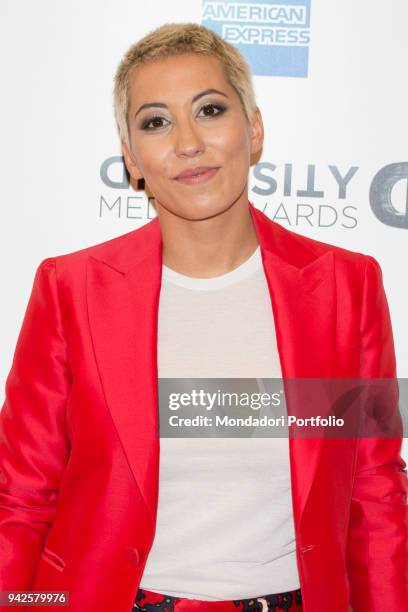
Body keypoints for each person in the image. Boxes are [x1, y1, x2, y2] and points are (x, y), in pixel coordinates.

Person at [0, 22, 407, 612]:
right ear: (132, 158)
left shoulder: (347, 286)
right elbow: (22, 499)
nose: (187, 142)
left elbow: (374, 493)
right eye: (156, 122)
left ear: (255, 128)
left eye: (210, 110)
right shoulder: (71, 290)